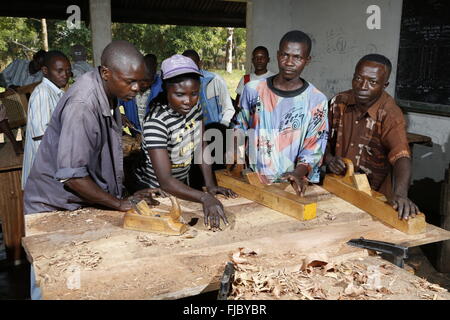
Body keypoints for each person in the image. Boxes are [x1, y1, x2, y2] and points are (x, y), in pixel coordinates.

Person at [23, 40, 157, 216]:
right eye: (130, 81)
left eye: (139, 82)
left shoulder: (111, 92)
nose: (136, 88)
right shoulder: (82, 105)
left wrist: (123, 194)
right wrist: (118, 203)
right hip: (53, 208)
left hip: (76, 204)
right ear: (106, 73)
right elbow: (73, 177)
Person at [132, 54, 237, 230]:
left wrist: (210, 186)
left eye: (194, 93)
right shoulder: (156, 122)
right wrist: (204, 198)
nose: (188, 101)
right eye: (179, 94)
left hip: (182, 189)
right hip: (157, 196)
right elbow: (165, 180)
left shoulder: (195, 108)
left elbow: (201, 145)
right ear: (166, 89)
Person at [325, 54, 419, 220]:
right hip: (337, 188)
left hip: (373, 197)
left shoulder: (389, 113)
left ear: (385, 85)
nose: (362, 86)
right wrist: (329, 159)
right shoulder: (338, 102)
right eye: (358, 78)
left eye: (372, 82)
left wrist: (401, 194)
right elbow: (319, 138)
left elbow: (401, 156)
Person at [235, 30, 328, 196]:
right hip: (253, 181)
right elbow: (239, 127)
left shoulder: (316, 100)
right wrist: (237, 158)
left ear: (307, 60)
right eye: (285, 55)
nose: (289, 62)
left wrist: (298, 173)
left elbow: (314, 146)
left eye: (297, 57)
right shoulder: (253, 90)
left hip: (291, 186)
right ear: (277, 55)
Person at [21, 50, 71, 189]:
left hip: (50, 171)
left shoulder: (57, 92)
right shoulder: (42, 93)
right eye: (59, 71)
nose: (65, 75)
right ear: (45, 70)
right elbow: (42, 136)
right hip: (44, 173)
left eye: (68, 70)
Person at [182, 50, 235, 128]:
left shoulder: (215, 80)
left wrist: (222, 127)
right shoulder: (179, 85)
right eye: (185, 66)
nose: (189, 69)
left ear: (199, 64)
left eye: (192, 65)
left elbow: (228, 109)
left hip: (218, 129)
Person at [120, 53, 163, 132]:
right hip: (135, 135)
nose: (145, 84)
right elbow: (110, 103)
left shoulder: (161, 88)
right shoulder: (127, 87)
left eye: (149, 80)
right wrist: (119, 115)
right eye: (142, 80)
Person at [234, 46, 275, 111]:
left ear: (268, 59)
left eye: (262, 57)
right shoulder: (245, 79)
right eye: (256, 57)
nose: (259, 60)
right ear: (252, 60)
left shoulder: (274, 78)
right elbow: (238, 103)